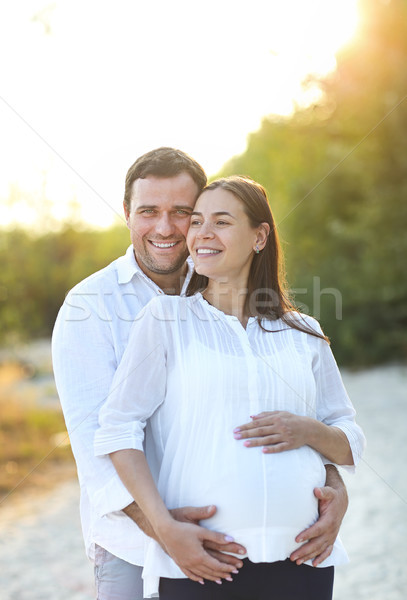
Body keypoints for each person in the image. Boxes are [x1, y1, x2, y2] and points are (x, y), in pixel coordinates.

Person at [53, 150, 352, 600]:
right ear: (126, 214)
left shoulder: (222, 274)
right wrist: (165, 529)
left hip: (251, 548)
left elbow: (293, 410)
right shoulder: (88, 306)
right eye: (149, 211)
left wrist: (333, 488)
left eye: (183, 214)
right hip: (133, 546)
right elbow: (99, 437)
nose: (166, 228)